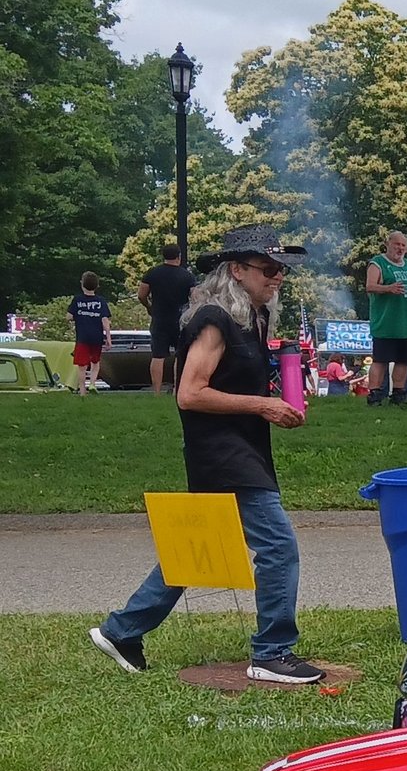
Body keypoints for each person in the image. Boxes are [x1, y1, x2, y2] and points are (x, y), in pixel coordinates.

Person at [89, 226, 323, 685]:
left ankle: (122, 631)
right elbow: (190, 393)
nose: (277, 277)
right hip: (224, 454)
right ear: (236, 270)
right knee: (278, 548)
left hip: (239, 448)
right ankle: (271, 652)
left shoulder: (252, 317)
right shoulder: (214, 319)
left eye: (281, 270)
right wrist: (263, 406)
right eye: (268, 269)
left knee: (197, 549)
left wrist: (277, 402)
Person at [363, 230, 407, 405]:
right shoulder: (378, 263)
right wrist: (388, 288)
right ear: (387, 244)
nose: (400, 248)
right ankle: (374, 394)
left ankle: (398, 393)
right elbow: (370, 286)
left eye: (403, 245)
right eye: (397, 244)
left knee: (404, 360)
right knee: (381, 360)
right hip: (386, 322)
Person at [137, 245, 196, 394]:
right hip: (180, 319)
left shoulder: (153, 273)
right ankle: (177, 389)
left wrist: (149, 306)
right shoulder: (187, 276)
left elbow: (141, 295)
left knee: (158, 356)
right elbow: (195, 297)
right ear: (179, 256)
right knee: (179, 355)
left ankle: (156, 392)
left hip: (159, 318)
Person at [66, 273, 110, 392]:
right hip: (97, 337)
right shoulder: (101, 301)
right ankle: (92, 384)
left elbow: (68, 317)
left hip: (83, 337)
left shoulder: (77, 300)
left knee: (82, 366)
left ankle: (82, 390)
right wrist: (108, 338)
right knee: (95, 362)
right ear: (97, 286)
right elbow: (105, 320)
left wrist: (79, 316)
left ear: (82, 284)